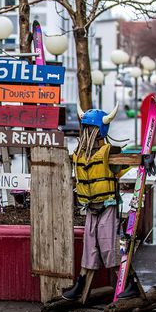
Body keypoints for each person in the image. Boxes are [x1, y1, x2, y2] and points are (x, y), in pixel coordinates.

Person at [62, 103, 141, 301]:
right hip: (90, 207)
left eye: (90, 128)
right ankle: (81, 284)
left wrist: (144, 158)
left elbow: (127, 160)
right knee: (89, 247)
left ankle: (129, 283)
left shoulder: (109, 152)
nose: (88, 132)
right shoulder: (79, 153)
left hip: (107, 205)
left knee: (109, 246)